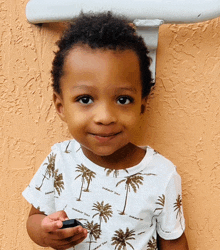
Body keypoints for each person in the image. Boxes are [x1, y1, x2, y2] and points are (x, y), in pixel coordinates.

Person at [23, 12, 189, 250]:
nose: (105, 117)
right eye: (85, 98)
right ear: (61, 106)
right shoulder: (59, 160)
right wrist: (44, 232)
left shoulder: (162, 175)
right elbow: (34, 218)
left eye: (122, 99)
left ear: (142, 105)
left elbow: (174, 242)